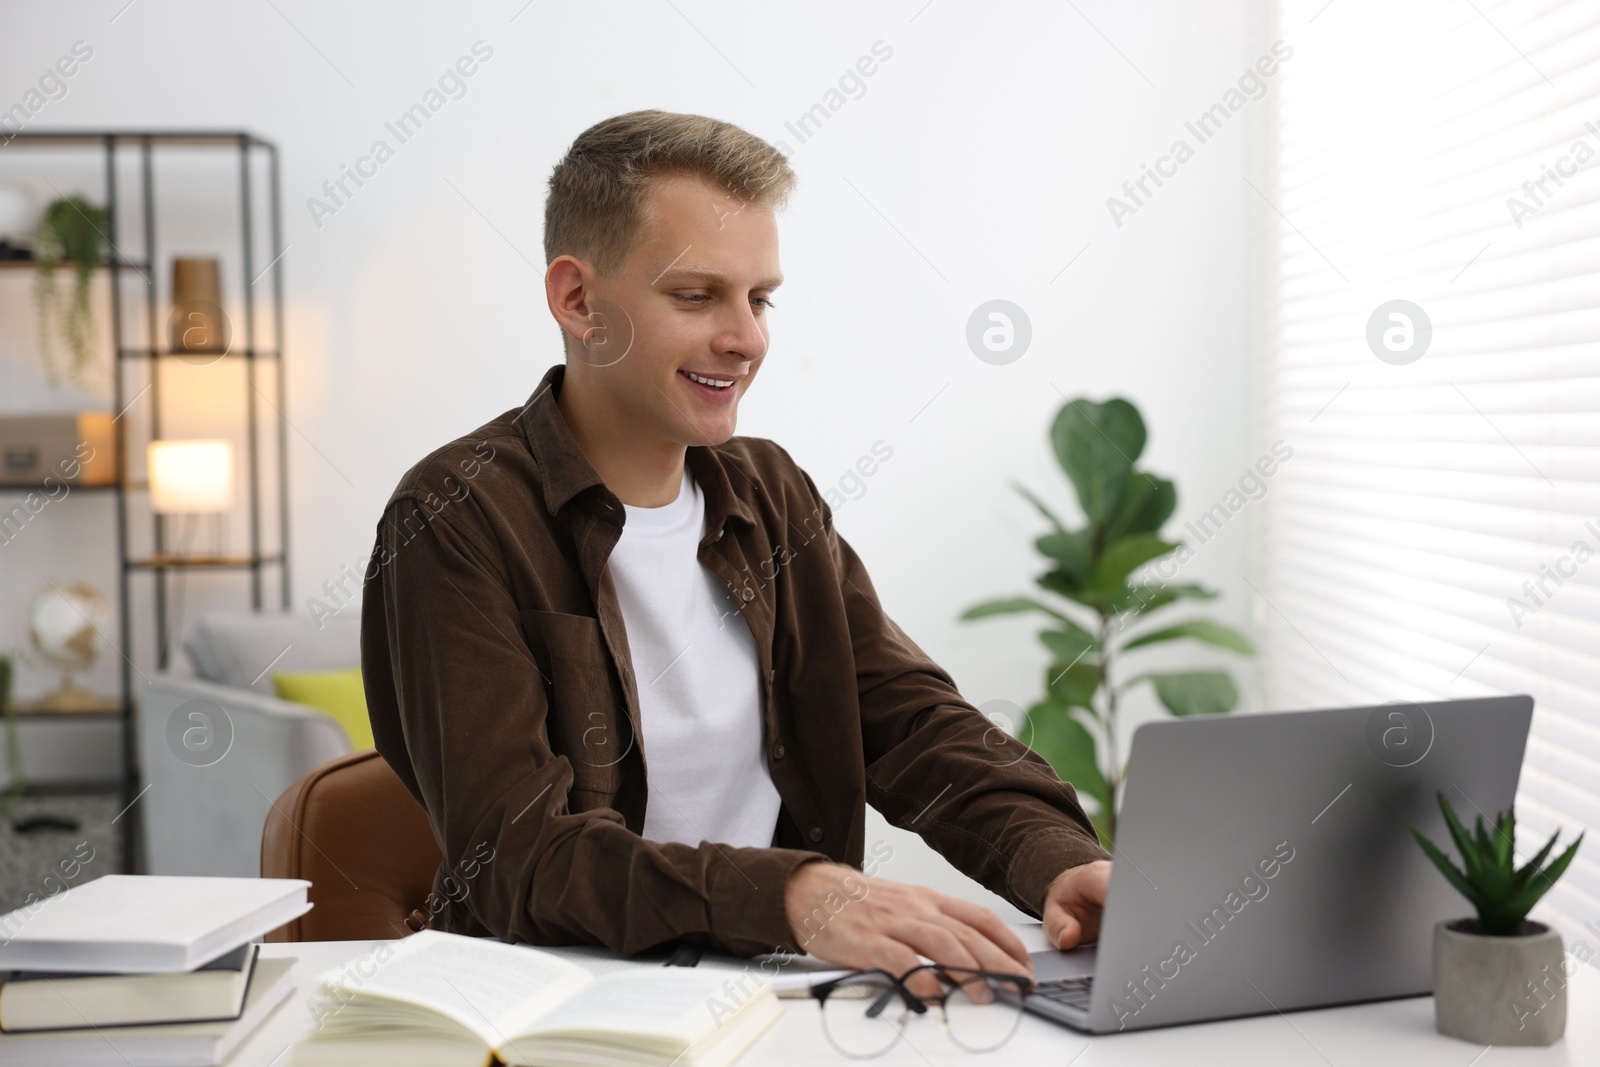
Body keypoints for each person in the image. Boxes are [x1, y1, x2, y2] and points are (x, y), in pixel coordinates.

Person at [363, 109, 1111, 994]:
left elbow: (910, 722)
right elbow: (515, 855)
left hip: (778, 997)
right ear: (578, 301)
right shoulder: (455, 514)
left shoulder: (769, 492)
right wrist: (795, 895)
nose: (748, 337)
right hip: (555, 1009)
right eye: (696, 296)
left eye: (760, 298)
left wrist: (1059, 860)